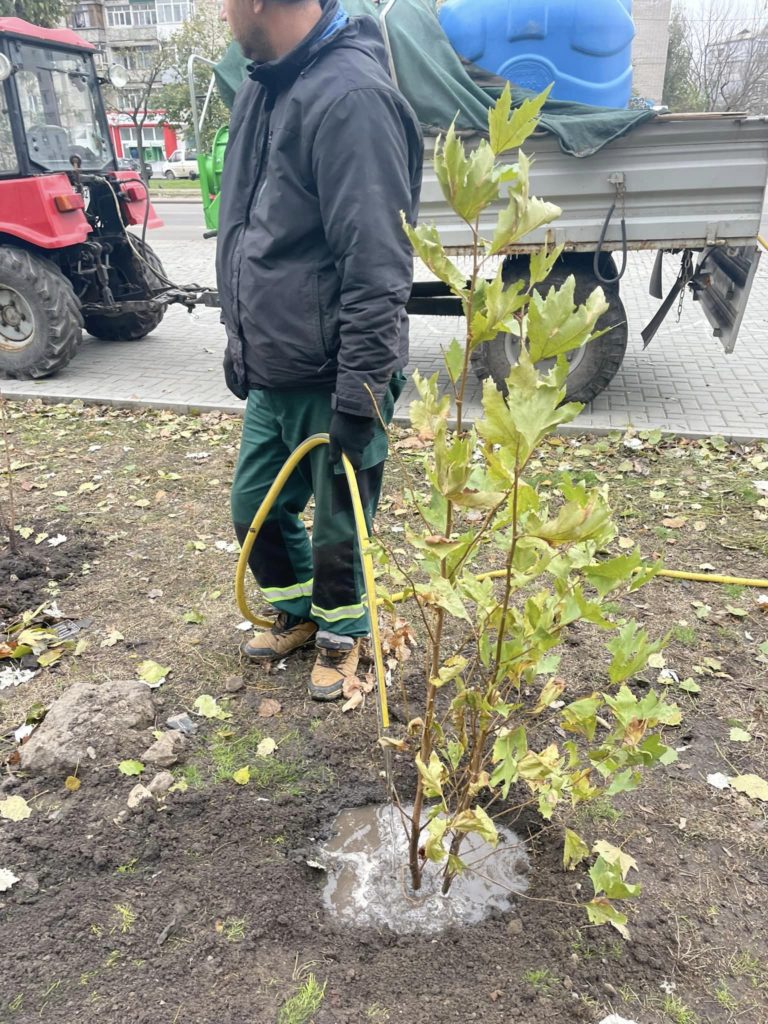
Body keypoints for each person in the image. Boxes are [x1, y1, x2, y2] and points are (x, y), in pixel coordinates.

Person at [216, 0, 423, 701]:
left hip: (337, 371)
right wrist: (239, 338)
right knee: (254, 506)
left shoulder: (351, 98)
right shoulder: (262, 85)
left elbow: (377, 266)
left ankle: (344, 636)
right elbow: (253, 230)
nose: (219, 11)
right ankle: (299, 614)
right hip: (276, 368)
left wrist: (362, 394)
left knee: (342, 526)